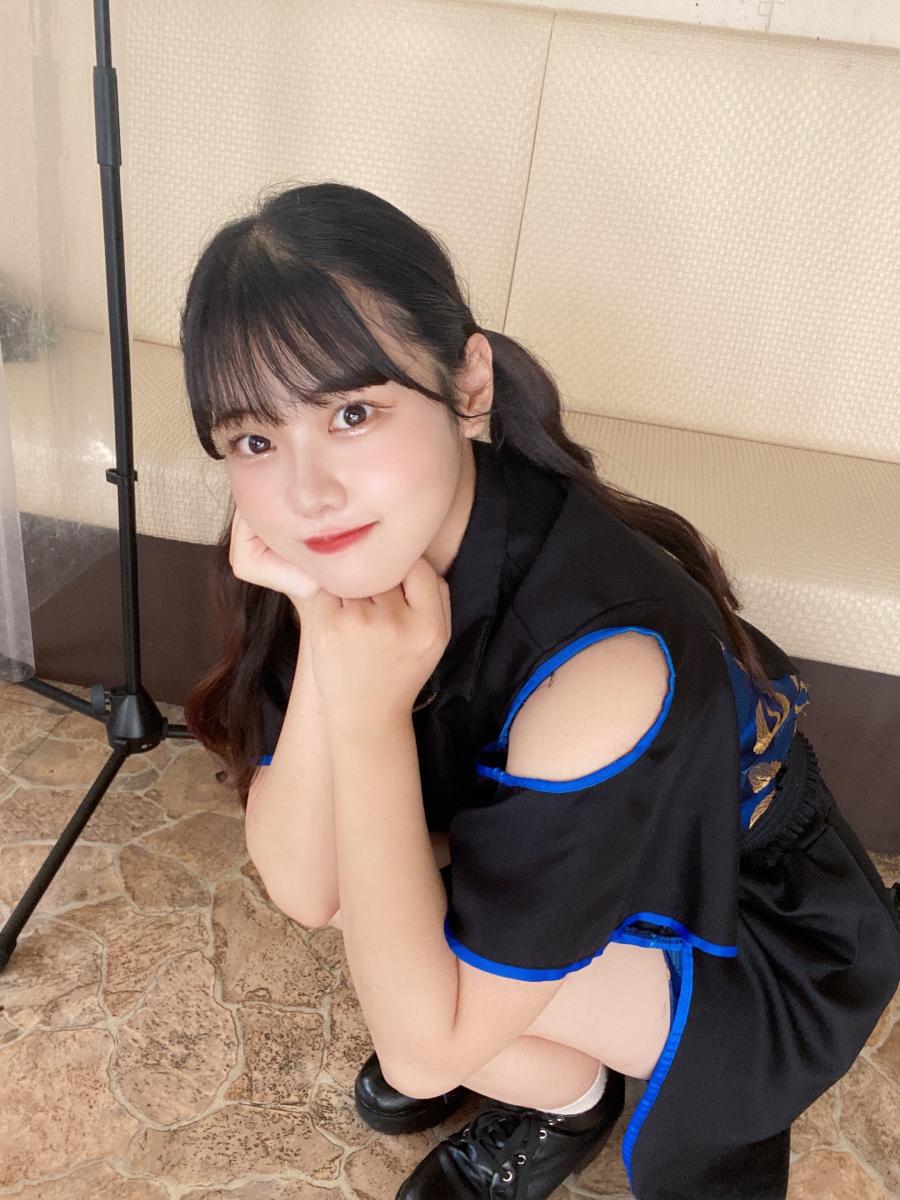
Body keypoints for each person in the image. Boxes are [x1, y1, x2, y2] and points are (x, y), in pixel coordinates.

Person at [180, 181, 900, 1200]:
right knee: (371, 904)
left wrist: (371, 719)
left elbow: (420, 1052)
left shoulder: (605, 669)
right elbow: (304, 885)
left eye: (352, 413)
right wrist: (332, 640)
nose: (306, 494)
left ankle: (545, 1048)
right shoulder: (350, 546)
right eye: (256, 441)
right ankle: (567, 1096)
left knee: (416, 976)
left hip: (751, 932)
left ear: (468, 384)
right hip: (593, 859)